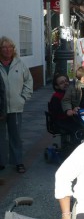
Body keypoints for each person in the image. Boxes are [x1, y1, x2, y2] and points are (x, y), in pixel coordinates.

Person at [0, 36, 33, 173]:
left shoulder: (20, 64)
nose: (7, 50)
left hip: (15, 107)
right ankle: (1, 162)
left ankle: (18, 162)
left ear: (13, 49)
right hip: (0, 108)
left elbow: (28, 82)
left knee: (16, 136)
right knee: (0, 137)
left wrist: (23, 98)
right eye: (4, 47)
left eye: (10, 47)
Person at [61, 66, 84, 134]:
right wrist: (69, 110)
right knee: (82, 129)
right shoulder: (73, 87)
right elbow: (66, 100)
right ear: (83, 79)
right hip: (79, 113)